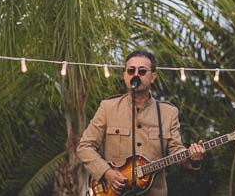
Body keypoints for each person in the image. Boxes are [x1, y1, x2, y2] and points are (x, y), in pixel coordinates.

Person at [77, 51, 204, 196]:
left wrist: (192, 158)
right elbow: (84, 147)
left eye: (142, 71)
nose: (136, 75)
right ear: (125, 75)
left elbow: (176, 151)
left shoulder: (168, 112)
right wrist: (106, 172)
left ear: (153, 77)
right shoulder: (108, 107)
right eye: (131, 70)